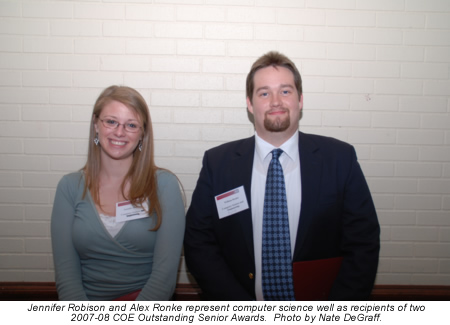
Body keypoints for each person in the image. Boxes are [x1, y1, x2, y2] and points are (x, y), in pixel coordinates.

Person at [184, 51, 380, 301]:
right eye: (264, 93)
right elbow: (198, 242)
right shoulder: (218, 163)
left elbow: (363, 243)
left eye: (285, 91)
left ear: (300, 100)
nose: (275, 101)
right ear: (250, 103)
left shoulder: (340, 159)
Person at [51, 85, 185, 301]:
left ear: (143, 133)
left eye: (131, 125)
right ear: (96, 125)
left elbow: (165, 275)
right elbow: (66, 274)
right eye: (111, 121)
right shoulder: (69, 187)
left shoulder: (164, 185)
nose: (119, 132)